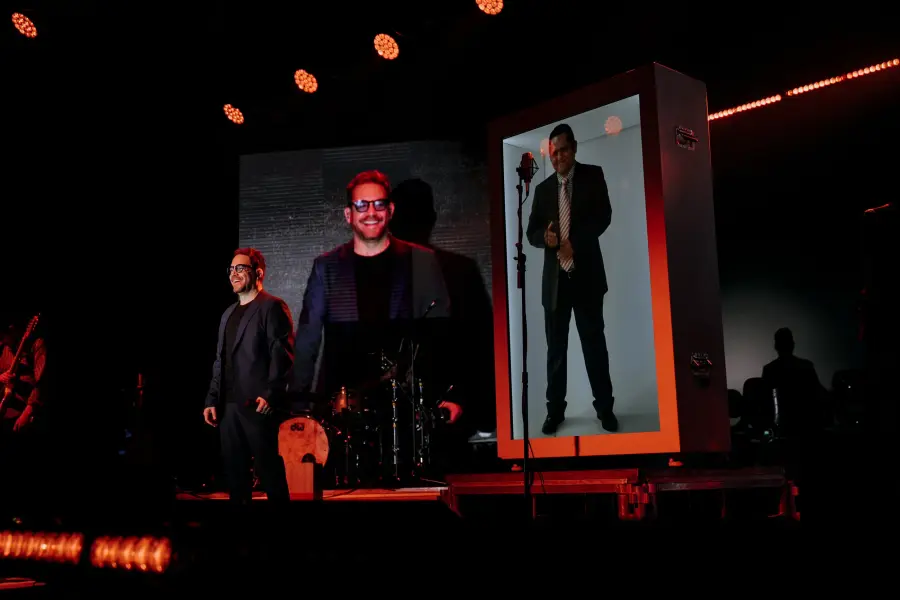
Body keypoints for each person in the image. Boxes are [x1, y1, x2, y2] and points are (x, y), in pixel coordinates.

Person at [292, 170, 460, 476]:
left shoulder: (421, 262)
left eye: (379, 204)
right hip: (342, 412)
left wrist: (449, 395)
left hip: (404, 409)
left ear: (390, 210)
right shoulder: (326, 268)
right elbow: (307, 340)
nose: (371, 212)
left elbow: (442, 336)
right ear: (348, 214)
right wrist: (300, 407)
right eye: (362, 205)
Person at [526, 123, 618, 435]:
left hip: (587, 277)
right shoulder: (542, 190)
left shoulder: (593, 176)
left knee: (595, 346)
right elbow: (532, 232)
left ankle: (605, 408)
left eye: (563, 151)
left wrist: (574, 242)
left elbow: (604, 216)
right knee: (556, 351)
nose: (558, 158)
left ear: (574, 148)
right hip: (555, 284)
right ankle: (555, 411)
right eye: (553, 154)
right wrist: (545, 238)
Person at [203, 248, 293, 506]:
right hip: (228, 407)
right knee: (235, 477)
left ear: (258, 273)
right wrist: (212, 399)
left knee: (269, 472)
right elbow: (220, 360)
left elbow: (282, 355)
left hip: (257, 405)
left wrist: (271, 394)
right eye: (231, 269)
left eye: (240, 268)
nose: (234, 274)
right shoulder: (227, 314)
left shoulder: (272, 306)